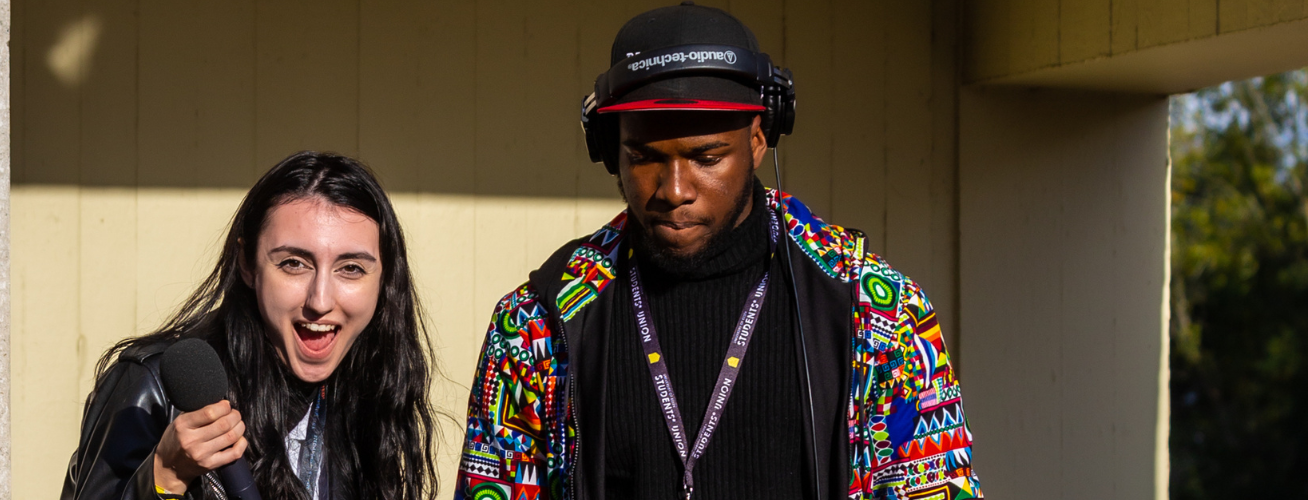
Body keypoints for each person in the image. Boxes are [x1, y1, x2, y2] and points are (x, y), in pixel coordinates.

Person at [453, 4, 982, 500]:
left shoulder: (877, 310)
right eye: (643, 157)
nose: (674, 190)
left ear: (759, 139)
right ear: (608, 150)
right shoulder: (535, 325)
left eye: (706, 157)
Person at [61, 152, 436, 500]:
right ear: (247, 263)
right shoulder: (152, 387)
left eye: (351, 268)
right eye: (293, 263)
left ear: (385, 279)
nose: (321, 301)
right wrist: (166, 476)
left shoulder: (370, 392)